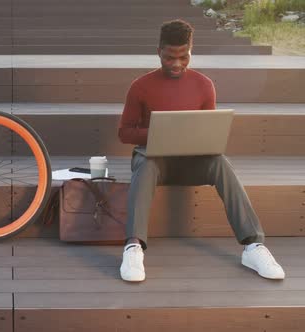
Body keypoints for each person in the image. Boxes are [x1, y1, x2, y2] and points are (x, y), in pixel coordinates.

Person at [117, 19, 285, 282]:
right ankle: (133, 246)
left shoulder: (204, 85)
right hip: (155, 162)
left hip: (192, 161)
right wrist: (159, 133)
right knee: (146, 164)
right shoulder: (141, 86)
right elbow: (125, 132)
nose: (176, 63)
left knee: (220, 162)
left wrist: (197, 137)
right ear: (158, 51)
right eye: (169, 57)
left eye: (183, 57)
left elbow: (208, 131)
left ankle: (253, 246)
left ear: (190, 51)